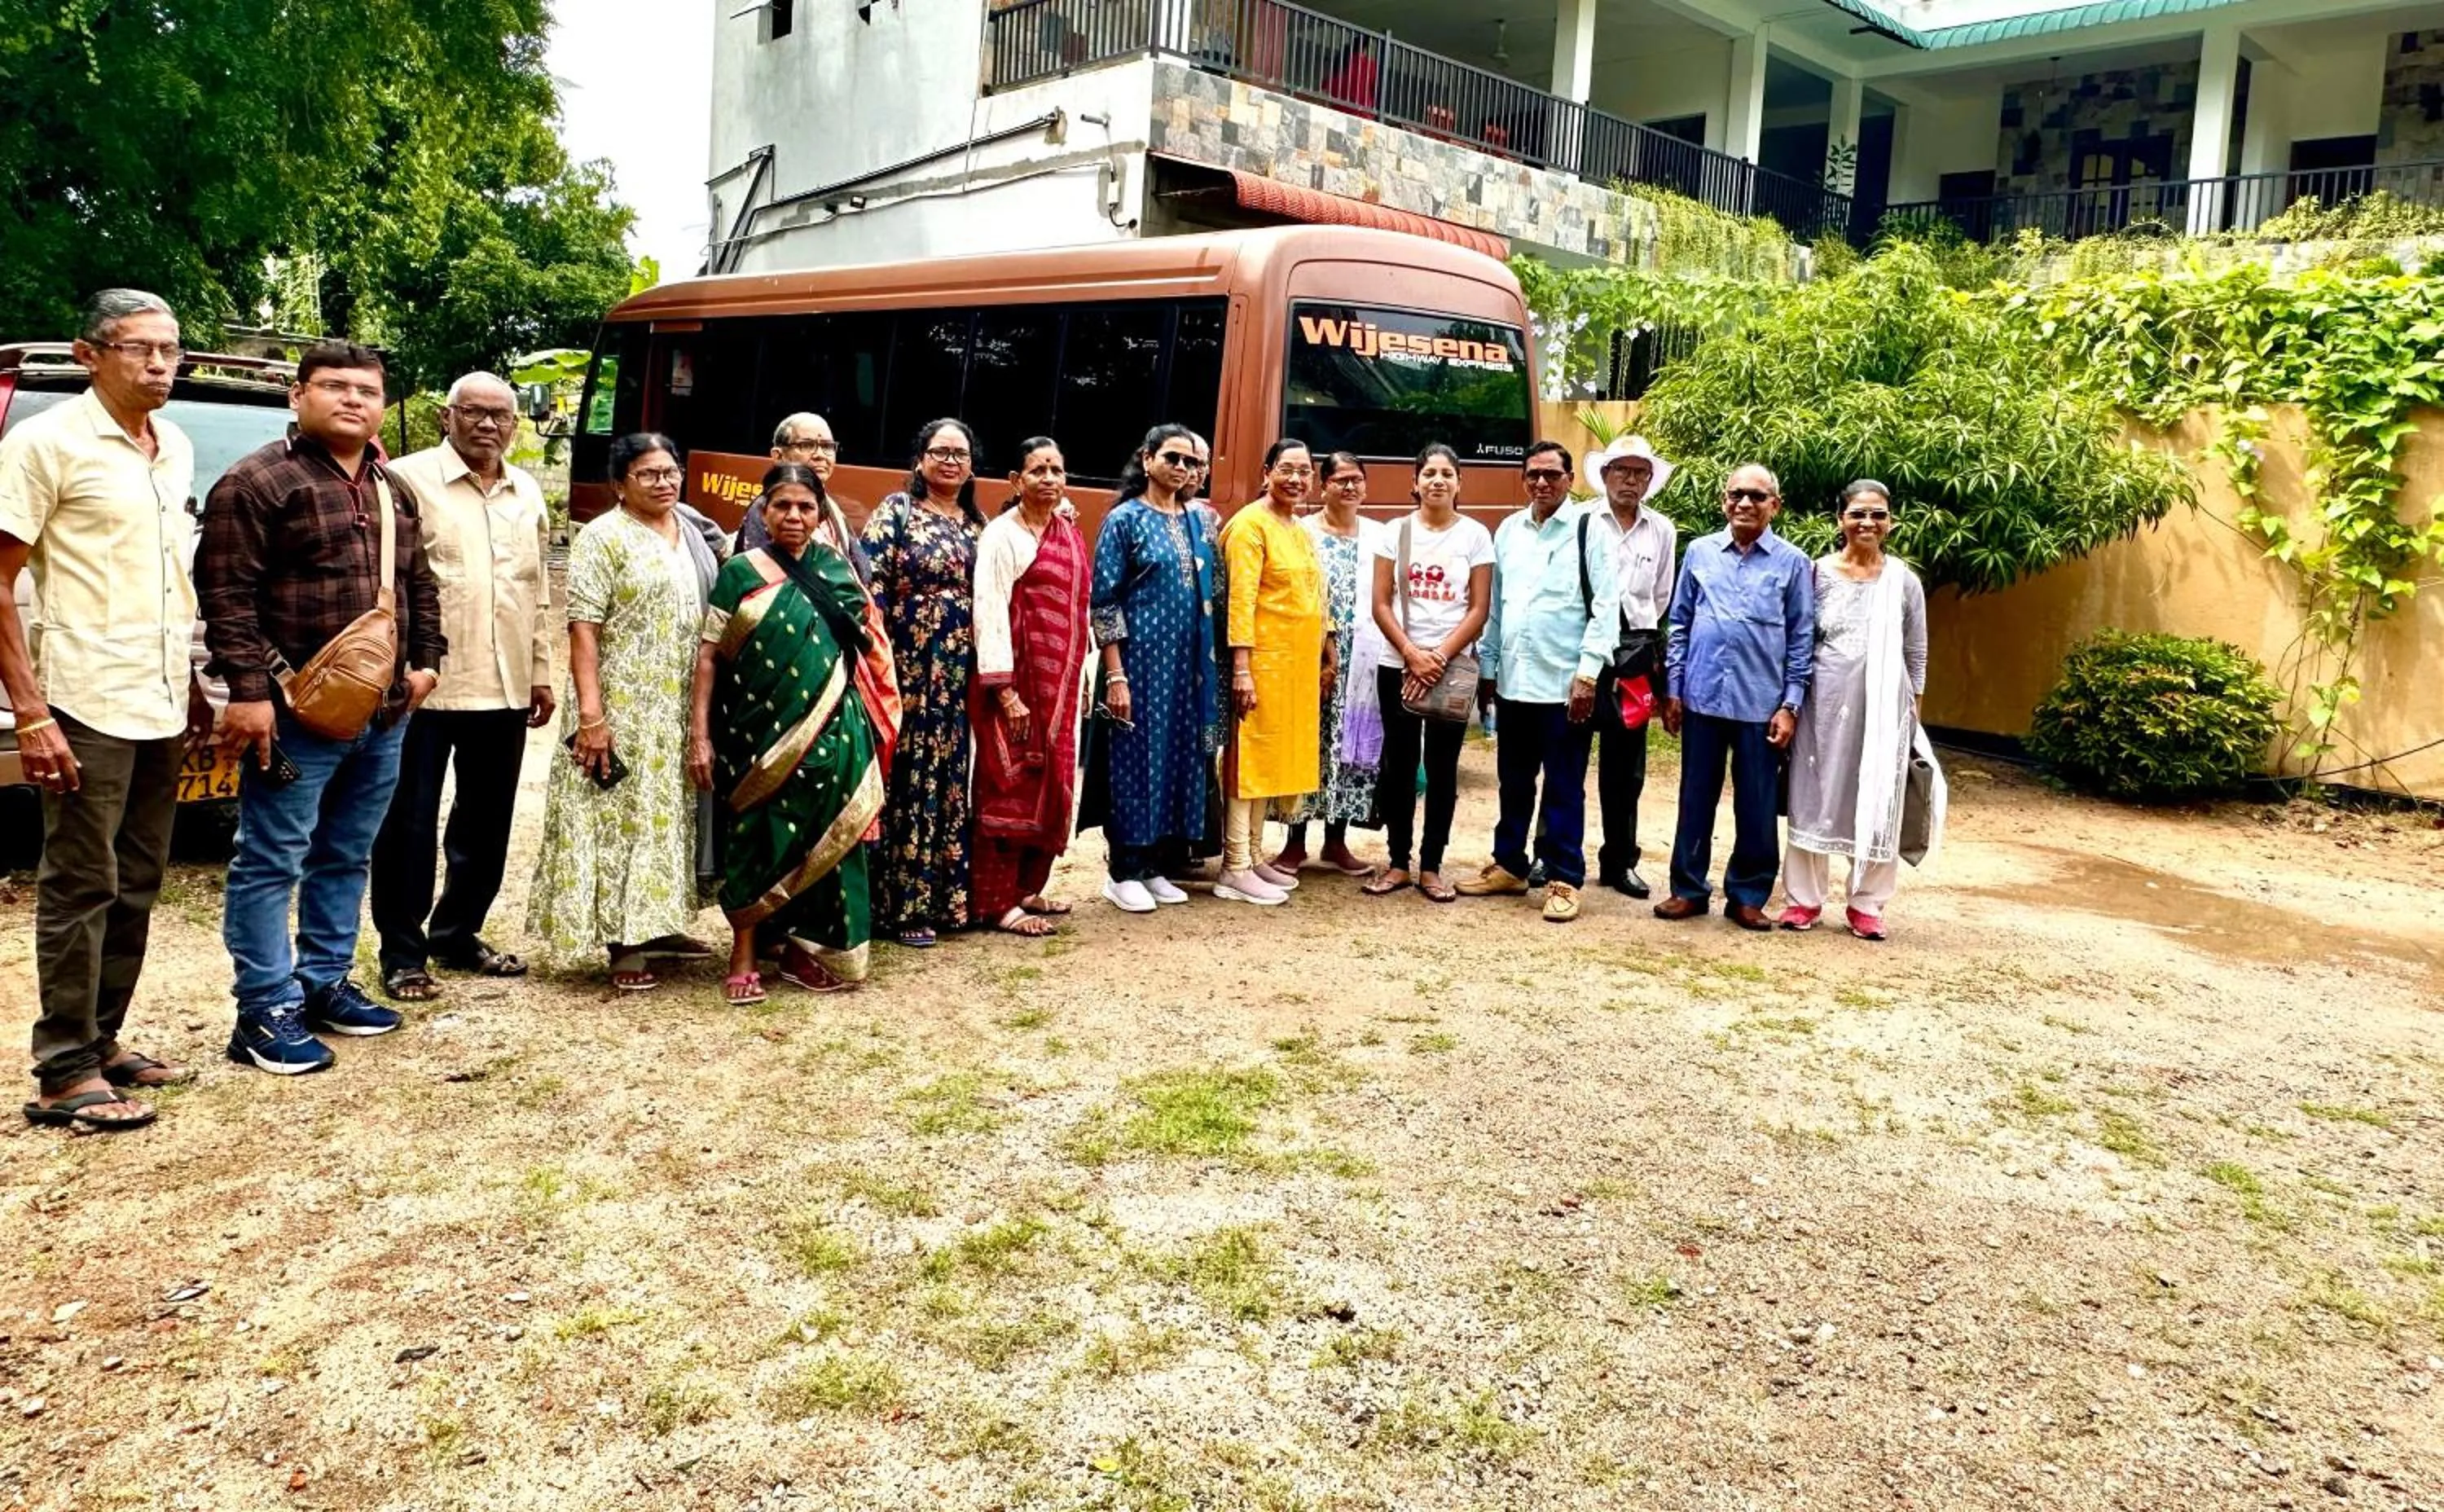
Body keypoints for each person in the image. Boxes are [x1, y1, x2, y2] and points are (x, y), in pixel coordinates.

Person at [200, 341, 446, 1073]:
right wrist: (249, 695)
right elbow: (226, 599)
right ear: (298, 396)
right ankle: (264, 1008)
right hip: (293, 714)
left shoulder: (390, 487)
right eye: (333, 386)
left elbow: (419, 584)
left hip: (382, 714)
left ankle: (324, 981)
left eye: (366, 390)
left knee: (346, 853)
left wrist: (426, 665)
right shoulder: (256, 484)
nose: (352, 400)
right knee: (272, 859)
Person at [2, 290, 209, 1127]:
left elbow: (170, 578)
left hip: (158, 691)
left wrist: (193, 685)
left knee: (139, 878)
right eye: (139, 348)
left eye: (170, 349)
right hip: (83, 694)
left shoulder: (176, 447)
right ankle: (61, 1068)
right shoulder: (45, 443)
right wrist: (31, 711)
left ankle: (103, 1038)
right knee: (82, 880)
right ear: (90, 355)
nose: (160, 363)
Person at [369, 373, 555, 1003]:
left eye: (500, 415)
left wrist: (540, 672)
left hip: (502, 687)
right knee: (409, 825)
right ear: (445, 416)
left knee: (486, 823)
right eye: (473, 412)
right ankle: (401, 951)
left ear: (515, 424)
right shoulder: (407, 480)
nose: (487, 425)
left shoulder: (526, 490)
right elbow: (385, 585)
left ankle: (457, 931)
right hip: (423, 687)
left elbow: (537, 591)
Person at [690, 464, 899, 1000]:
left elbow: (862, 647)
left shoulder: (836, 569)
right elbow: (710, 656)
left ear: (821, 514)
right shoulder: (738, 571)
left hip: (834, 722)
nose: (794, 516)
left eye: (806, 507)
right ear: (763, 511)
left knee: (833, 833)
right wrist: (701, 734)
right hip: (757, 729)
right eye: (782, 505)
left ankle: (814, 948)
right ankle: (744, 948)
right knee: (757, 832)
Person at [526, 433, 719, 991]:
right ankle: (624, 941)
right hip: (621, 704)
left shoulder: (689, 531)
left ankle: (660, 923)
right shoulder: (604, 538)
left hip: (678, 705)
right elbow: (583, 628)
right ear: (619, 484)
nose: (664, 482)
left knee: (670, 816)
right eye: (649, 474)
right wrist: (592, 717)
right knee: (620, 817)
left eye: (671, 470)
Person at [1455, 440, 1616, 923]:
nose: (1542, 483)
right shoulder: (1509, 530)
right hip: (1515, 683)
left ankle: (1565, 878)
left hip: (1567, 686)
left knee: (1565, 786)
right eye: (1533, 475)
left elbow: (1607, 609)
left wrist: (1587, 676)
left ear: (1569, 479)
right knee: (1513, 782)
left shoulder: (1590, 529)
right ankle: (1509, 865)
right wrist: (1488, 671)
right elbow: (1497, 608)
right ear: (1524, 480)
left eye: (1552, 474)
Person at [1657, 463, 1816, 931]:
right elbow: (1680, 622)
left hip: (1761, 706)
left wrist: (1790, 705)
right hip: (1703, 697)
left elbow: (1801, 638)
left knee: (1757, 803)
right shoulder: (1701, 553)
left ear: (1775, 506)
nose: (1745, 503)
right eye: (1736, 494)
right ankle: (1688, 889)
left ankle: (1748, 895)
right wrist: (1674, 687)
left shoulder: (1793, 563)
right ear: (1724, 501)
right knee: (1695, 797)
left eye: (1757, 496)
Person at [1781, 480, 1939, 941]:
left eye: (1878, 515)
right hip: (1822, 706)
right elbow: (1799, 640)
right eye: (1858, 514)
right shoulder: (1816, 574)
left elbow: (1918, 653)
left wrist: (1913, 718)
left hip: (1886, 711)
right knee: (1814, 793)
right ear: (1840, 520)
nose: (1867, 523)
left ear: (1890, 523)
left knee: (1877, 797)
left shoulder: (1903, 581)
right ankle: (1804, 900)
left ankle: (1867, 904)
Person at [1080, 423, 1221, 913]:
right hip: (1137, 665)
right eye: (1171, 458)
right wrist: (1115, 675)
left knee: (1176, 758)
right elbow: (1105, 603)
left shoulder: (1197, 521)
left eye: (1188, 461)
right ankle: (1124, 870)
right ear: (1147, 460)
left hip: (1187, 670)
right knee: (1134, 762)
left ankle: (1157, 863)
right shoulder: (1125, 521)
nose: (1180, 468)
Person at [861, 418, 985, 947]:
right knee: (907, 780)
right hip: (906, 671)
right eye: (941, 452)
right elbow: (871, 586)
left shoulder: (979, 524)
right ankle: (899, 908)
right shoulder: (898, 512)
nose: (951, 461)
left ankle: (944, 901)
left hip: (957, 676)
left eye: (960, 454)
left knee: (949, 780)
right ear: (920, 459)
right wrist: (879, 661)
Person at [969, 437, 1091, 937]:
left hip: (1058, 692)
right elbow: (990, 610)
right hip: (1017, 688)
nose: (1049, 478)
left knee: (1053, 787)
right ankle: (996, 903)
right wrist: (1004, 691)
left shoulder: (1067, 532)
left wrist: (1081, 679)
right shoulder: (1001, 535)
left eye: (1056, 470)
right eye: (1038, 470)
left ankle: (1026, 889)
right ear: (1016, 482)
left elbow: (1079, 611)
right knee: (1008, 787)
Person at [1364, 443, 1493, 904]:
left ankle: (1432, 866)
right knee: (1398, 766)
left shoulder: (1476, 535)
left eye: (1446, 474)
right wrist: (1411, 654)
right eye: (1429, 473)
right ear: (1415, 482)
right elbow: (1381, 602)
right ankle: (1398, 862)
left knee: (1442, 770)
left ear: (1460, 483)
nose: (1437, 481)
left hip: (1451, 668)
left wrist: (1436, 657)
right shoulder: (1394, 532)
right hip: (1397, 664)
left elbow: (1479, 609)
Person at [1216, 439, 1331, 906]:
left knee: (1271, 763)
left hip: (1295, 668)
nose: (1297, 479)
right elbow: (1240, 602)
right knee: (1249, 761)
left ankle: (1254, 854)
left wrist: (1328, 647)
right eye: (1287, 469)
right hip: (1260, 665)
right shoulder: (1250, 526)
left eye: (1305, 471)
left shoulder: (1298, 527)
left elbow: (1315, 593)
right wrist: (1241, 668)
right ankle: (1233, 865)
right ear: (1266, 472)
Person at [1580, 436, 1678, 899]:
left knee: (1626, 768)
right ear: (1604, 475)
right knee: (1566, 754)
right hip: (1581, 650)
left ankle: (1619, 862)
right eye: (1622, 470)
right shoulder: (1580, 521)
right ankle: (1551, 854)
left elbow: (1660, 597)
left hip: (1635, 653)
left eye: (1640, 472)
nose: (1631, 480)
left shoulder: (1662, 530)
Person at [1275, 451, 1380, 877]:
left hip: (1365, 659)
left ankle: (1337, 841)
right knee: (1308, 742)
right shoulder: (1302, 531)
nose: (1350, 487)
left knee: (1352, 749)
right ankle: (1294, 842)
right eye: (1340, 480)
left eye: (1357, 479)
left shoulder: (1379, 535)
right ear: (1324, 486)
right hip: (1312, 653)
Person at [739, 412, 867, 578]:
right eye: (806, 445)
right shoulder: (766, 509)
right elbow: (757, 580)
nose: (820, 455)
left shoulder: (832, 508)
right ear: (778, 456)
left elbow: (859, 569)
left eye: (827, 447)